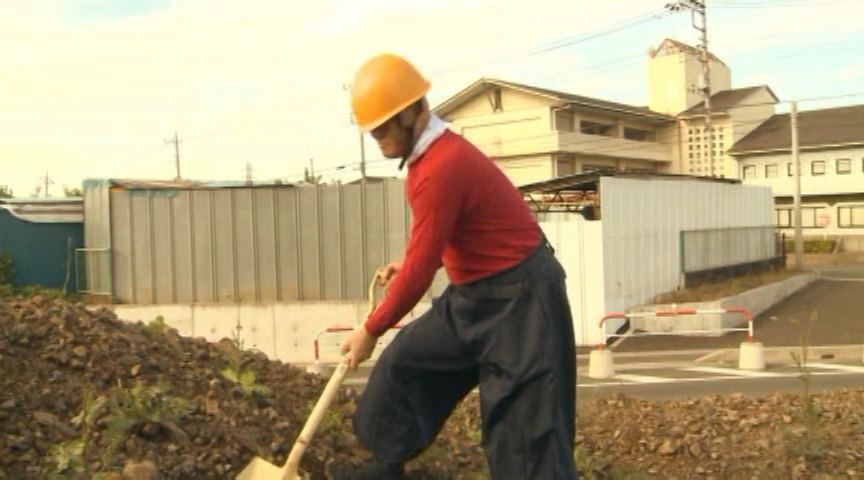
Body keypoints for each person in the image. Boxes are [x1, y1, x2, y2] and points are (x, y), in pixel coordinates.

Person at [328, 53, 577, 480]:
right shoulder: (427, 160)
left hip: (523, 304)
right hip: (472, 299)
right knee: (403, 369)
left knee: (525, 440)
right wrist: (407, 263)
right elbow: (438, 241)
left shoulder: (443, 165)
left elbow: (423, 271)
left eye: (384, 129)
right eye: (373, 133)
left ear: (411, 113)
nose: (380, 141)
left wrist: (371, 328)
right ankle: (379, 471)